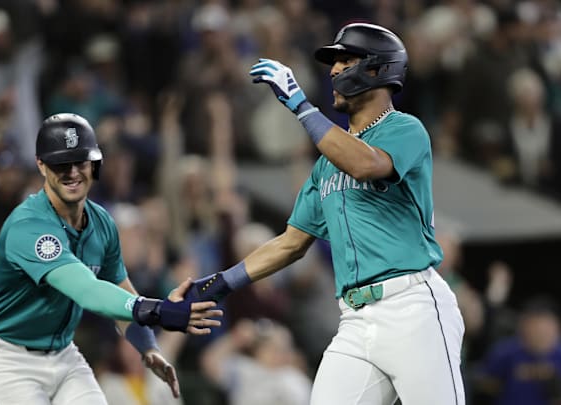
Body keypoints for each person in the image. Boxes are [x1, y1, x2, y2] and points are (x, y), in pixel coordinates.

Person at [184, 23, 466, 404]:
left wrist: (301, 106)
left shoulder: (406, 129)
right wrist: (219, 283)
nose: (334, 70)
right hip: (355, 318)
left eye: (345, 59)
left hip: (412, 308)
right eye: (333, 62)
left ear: (378, 69)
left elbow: (366, 164)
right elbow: (291, 243)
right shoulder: (326, 166)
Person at [0, 113, 223, 405]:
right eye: (61, 163)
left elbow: (120, 289)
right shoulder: (30, 225)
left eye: (81, 161)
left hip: (62, 354)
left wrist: (148, 346)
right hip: (7, 359)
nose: (73, 172)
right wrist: (161, 310)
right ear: (41, 165)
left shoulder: (102, 222)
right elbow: (88, 291)